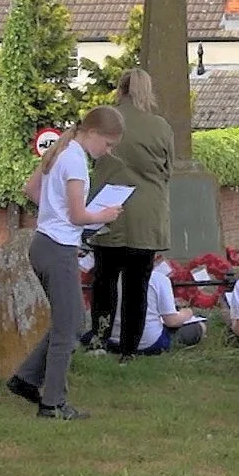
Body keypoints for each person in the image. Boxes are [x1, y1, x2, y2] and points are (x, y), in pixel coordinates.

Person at [6, 106, 125, 421]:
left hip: (44, 242)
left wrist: (52, 211)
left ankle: (26, 379)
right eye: (109, 145)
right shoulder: (76, 161)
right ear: (95, 133)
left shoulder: (62, 148)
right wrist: (105, 214)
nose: (108, 152)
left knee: (67, 321)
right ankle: (53, 403)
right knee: (69, 327)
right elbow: (78, 216)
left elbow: (30, 190)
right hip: (58, 248)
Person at [85, 68, 174, 361]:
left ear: (120, 89)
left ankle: (99, 340)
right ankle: (129, 351)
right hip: (147, 217)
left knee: (105, 283)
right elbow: (167, 169)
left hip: (109, 213)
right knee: (138, 287)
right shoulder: (160, 126)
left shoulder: (104, 120)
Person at [106, 267, 205, 355]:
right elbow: (172, 321)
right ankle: (173, 342)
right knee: (200, 326)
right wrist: (187, 313)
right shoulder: (159, 279)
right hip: (149, 344)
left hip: (114, 342)